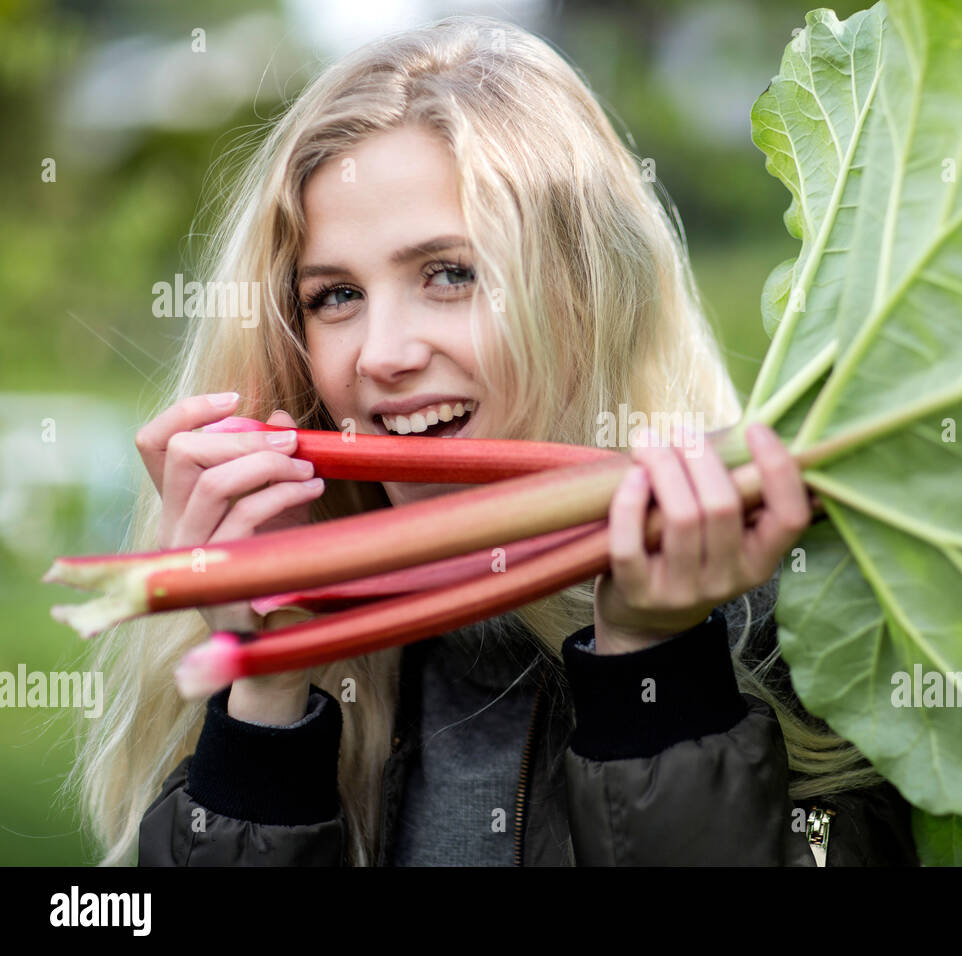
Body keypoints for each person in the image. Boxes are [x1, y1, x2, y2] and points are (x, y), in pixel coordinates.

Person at [68, 15, 918, 866]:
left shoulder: (800, 645)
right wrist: (269, 676)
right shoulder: (308, 670)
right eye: (334, 296)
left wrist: (652, 667)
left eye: (449, 275)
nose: (383, 355)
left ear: (589, 297)